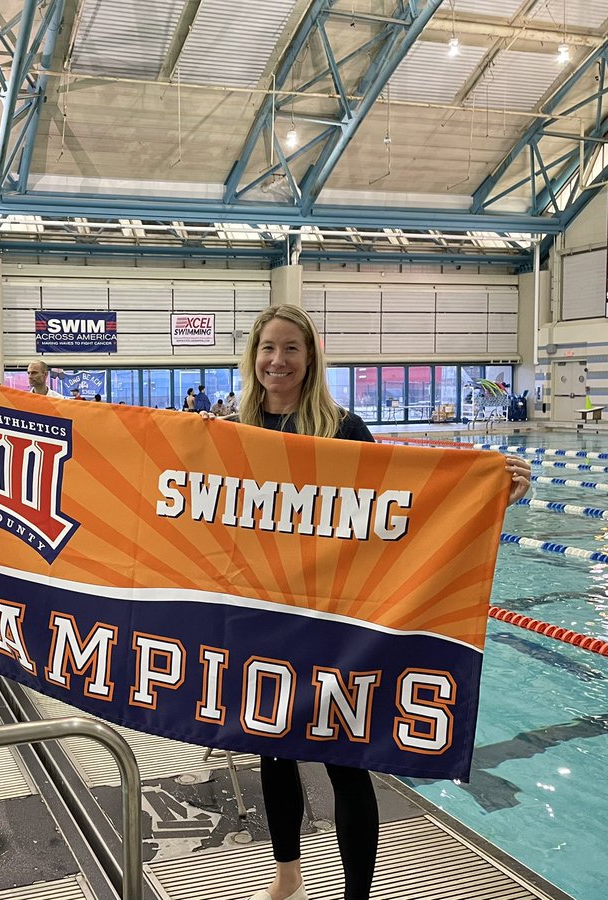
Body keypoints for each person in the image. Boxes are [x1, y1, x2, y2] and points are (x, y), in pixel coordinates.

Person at [212, 304, 530, 900]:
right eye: (267, 349)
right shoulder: (232, 431)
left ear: (311, 359)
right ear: (252, 358)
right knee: (274, 757)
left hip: (332, 620)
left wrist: (488, 498)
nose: (277, 361)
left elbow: (401, 512)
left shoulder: (342, 429)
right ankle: (287, 879)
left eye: (291, 349)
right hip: (262, 615)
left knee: (346, 762)